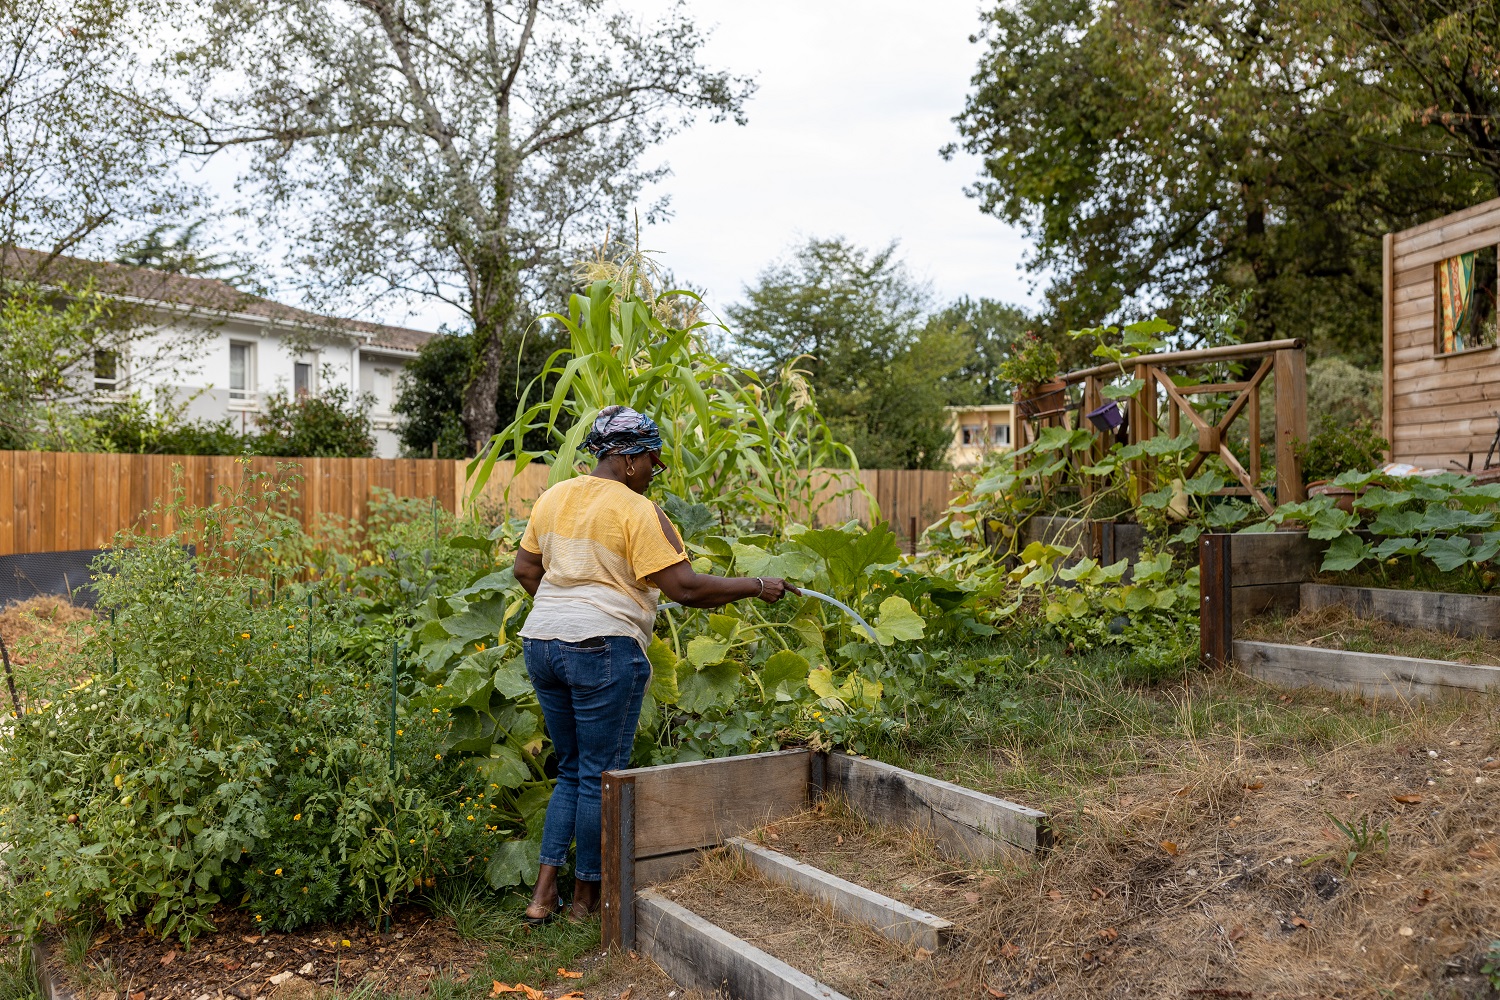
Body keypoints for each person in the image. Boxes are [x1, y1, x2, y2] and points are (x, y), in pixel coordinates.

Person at [512, 405, 799, 923]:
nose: (652, 472)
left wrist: (564, 608)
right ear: (626, 459)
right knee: (602, 776)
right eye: (652, 461)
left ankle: (541, 898)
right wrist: (757, 586)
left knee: (572, 770)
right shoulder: (636, 510)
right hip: (601, 648)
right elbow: (686, 589)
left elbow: (525, 568)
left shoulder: (554, 496)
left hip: (542, 643)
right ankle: (584, 904)